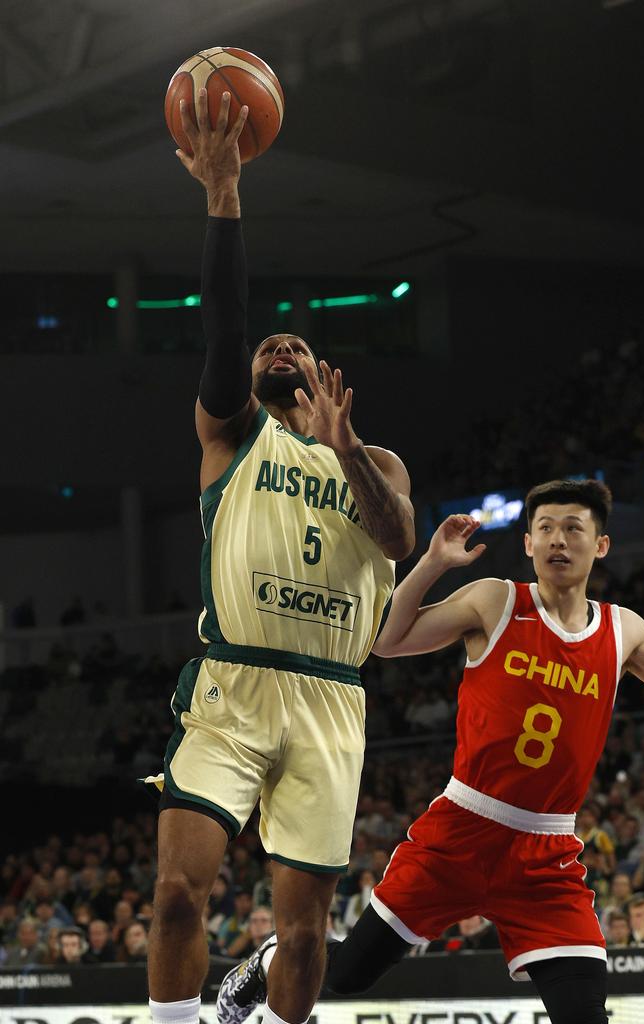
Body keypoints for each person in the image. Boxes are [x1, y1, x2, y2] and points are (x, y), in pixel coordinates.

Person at [219, 478, 644, 1024]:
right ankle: (271, 960)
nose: (558, 540)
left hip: (547, 853)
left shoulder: (623, 630)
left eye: (573, 528)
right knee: (345, 977)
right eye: (545, 528)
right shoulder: (496, 600)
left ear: (600, 545)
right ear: (527, 543)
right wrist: (432, 562)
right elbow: (386, 641)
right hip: (463, 829)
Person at [145, 86, 414, 1024]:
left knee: (305, 934)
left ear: (325, 376)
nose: (282, 344)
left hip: (331, 697)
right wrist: (224, 196)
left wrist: (344, 449)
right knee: (180, 891)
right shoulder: (231, 434)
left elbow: (395, 541)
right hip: (235, 684)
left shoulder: (371, 460)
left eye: (299, 341)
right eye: (272, 342)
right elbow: (224, 323)